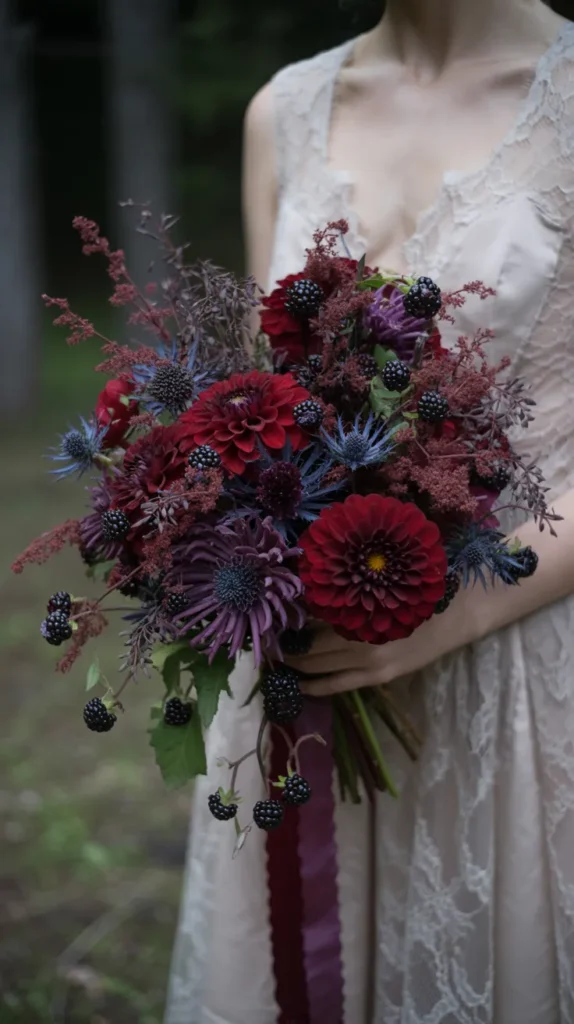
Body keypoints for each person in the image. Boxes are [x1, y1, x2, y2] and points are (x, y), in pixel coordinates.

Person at [165, 2, 574, 1021]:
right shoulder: (286, 110)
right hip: (311, 672)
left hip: (519, 657)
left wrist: (454, 615)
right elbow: (261, 397)